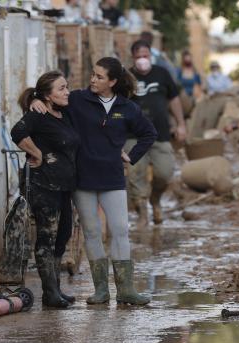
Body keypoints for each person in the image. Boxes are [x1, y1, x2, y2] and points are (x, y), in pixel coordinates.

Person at [32, 57, 157, 306]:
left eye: (99, 77)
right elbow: (50, 98)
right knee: (91, 232)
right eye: (92, 74)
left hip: (112, 177)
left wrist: (130, 157)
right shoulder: (77, 100)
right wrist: (35, 99)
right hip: (82, 178)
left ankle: (126, 289)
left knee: (120, 230)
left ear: (112, 81)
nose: (93, 79)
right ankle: (101, 290)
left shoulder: (127, 107)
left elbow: (149, 133)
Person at [11, 71, 80, 308]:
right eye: (61, 88)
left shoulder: (66, 113)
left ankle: (56, 290)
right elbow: (17, 133)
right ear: (48, 95)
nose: (67, 91)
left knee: (62, 236)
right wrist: (36, 152)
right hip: (42, 185)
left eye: (66, 87)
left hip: (63, 187)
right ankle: (50, 294)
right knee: (46, 238)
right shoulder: (37, 115)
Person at [126, 39, 187, 228]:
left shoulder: (162, 74)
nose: (142, 60)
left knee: (165, 172)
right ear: (133, 58)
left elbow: (174, 100)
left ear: (150, 56)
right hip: (133, 135)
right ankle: (142, 213)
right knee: (136, 175)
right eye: (138, 57)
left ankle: (155, 198)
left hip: (160, 134)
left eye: (145, 56)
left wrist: (181, 124)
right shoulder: (126, 77)